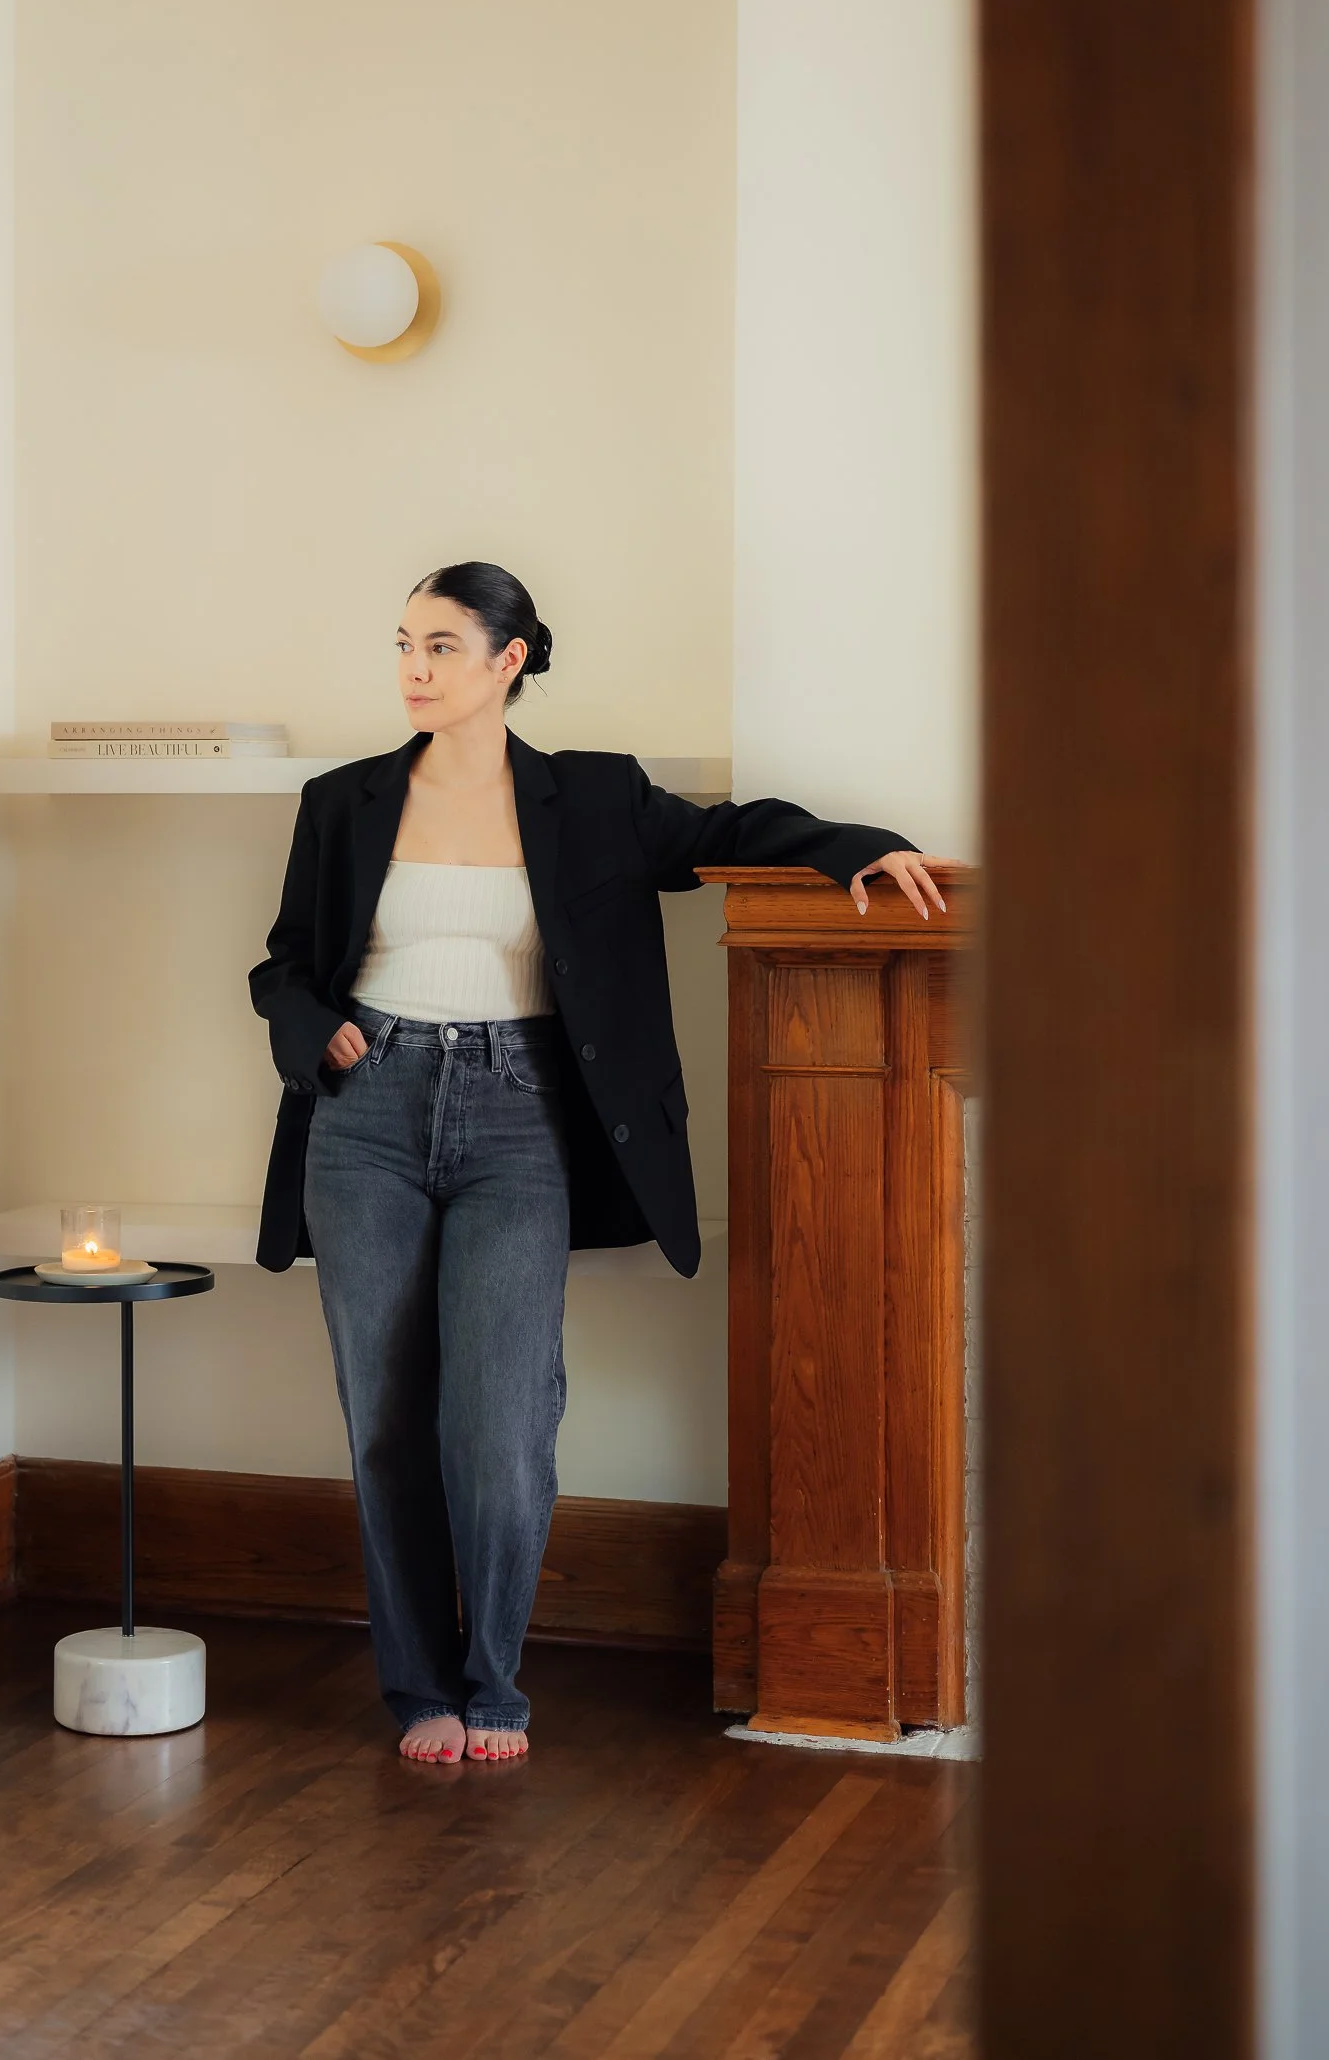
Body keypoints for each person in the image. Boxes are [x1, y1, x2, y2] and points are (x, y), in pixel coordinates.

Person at [248, 562, 957, 1767]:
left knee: (503, 1417)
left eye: (439, 646)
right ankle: (419, 1684)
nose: (413, 669)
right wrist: (314, 1030)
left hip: (523, 1121)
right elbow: (283, 965)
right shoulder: (345, 799)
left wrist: (860, 848)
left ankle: (494, 1684)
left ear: (508, 661)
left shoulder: (593, 796)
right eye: (403, 645)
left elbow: (734, 833)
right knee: (384, 1420)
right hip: (365, 1114)